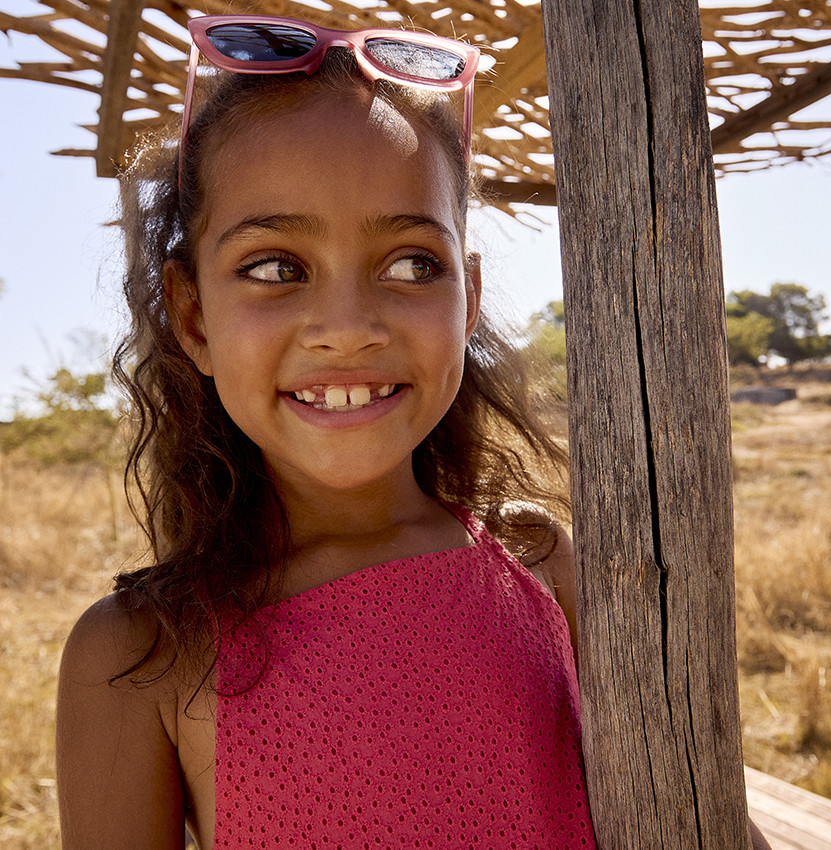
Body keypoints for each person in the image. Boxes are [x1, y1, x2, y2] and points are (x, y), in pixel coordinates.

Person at [55, 15, 771, 850]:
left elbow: (699, 813)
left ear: (466, 301)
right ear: (193, 317)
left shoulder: (542, 566)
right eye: (276, 268)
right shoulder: (138, 653)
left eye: (410, 265)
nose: (348, 329)